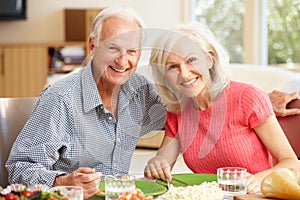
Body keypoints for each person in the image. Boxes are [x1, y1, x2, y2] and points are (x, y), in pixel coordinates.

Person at [5, 6, 166, 198]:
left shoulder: (140, 90)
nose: (122, 62)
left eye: (131, 51)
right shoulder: (60, 98)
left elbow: (180, 120)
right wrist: (63, 181)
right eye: (113, 48)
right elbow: (19, 169)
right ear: (92, 46)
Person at [143, 22, 300, 194]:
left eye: (192, 60)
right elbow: (163, 162)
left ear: (210, 59)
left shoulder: (248, 97)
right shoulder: (177, 111)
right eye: (172, 67)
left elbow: (291, 162)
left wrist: (258, 178)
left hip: (254, 196)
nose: (185, 73)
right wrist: (156, 165)